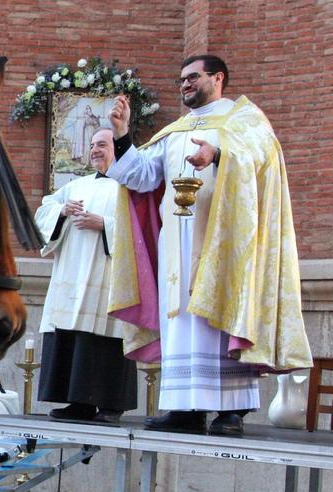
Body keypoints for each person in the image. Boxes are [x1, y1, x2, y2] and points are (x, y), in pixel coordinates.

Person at [106, 55, 311, 436]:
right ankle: (185, 407)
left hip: (226, 241)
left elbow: (259, 161)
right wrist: (122, 136)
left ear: (217, 78)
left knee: (221, 316)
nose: (184, 84)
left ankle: (232, 411)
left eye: (192, 77)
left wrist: (217, 155)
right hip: (177, 243)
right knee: (183, 317)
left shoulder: (244, 123)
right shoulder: (175, 130)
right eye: (181, 79)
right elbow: (144, 177)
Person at [34, 129, 137, 424]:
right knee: (73, 337)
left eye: (101, 145)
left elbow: (143, 232)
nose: (94, 150)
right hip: (72, 275)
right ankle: (78, 402)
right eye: (92, 145)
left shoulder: (130, 187)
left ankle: (110, 404)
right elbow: (45, 209)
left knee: (106, 337)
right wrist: (62, 212)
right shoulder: (74, 186)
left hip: (108, 278)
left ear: (116, 148)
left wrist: (104, 223)